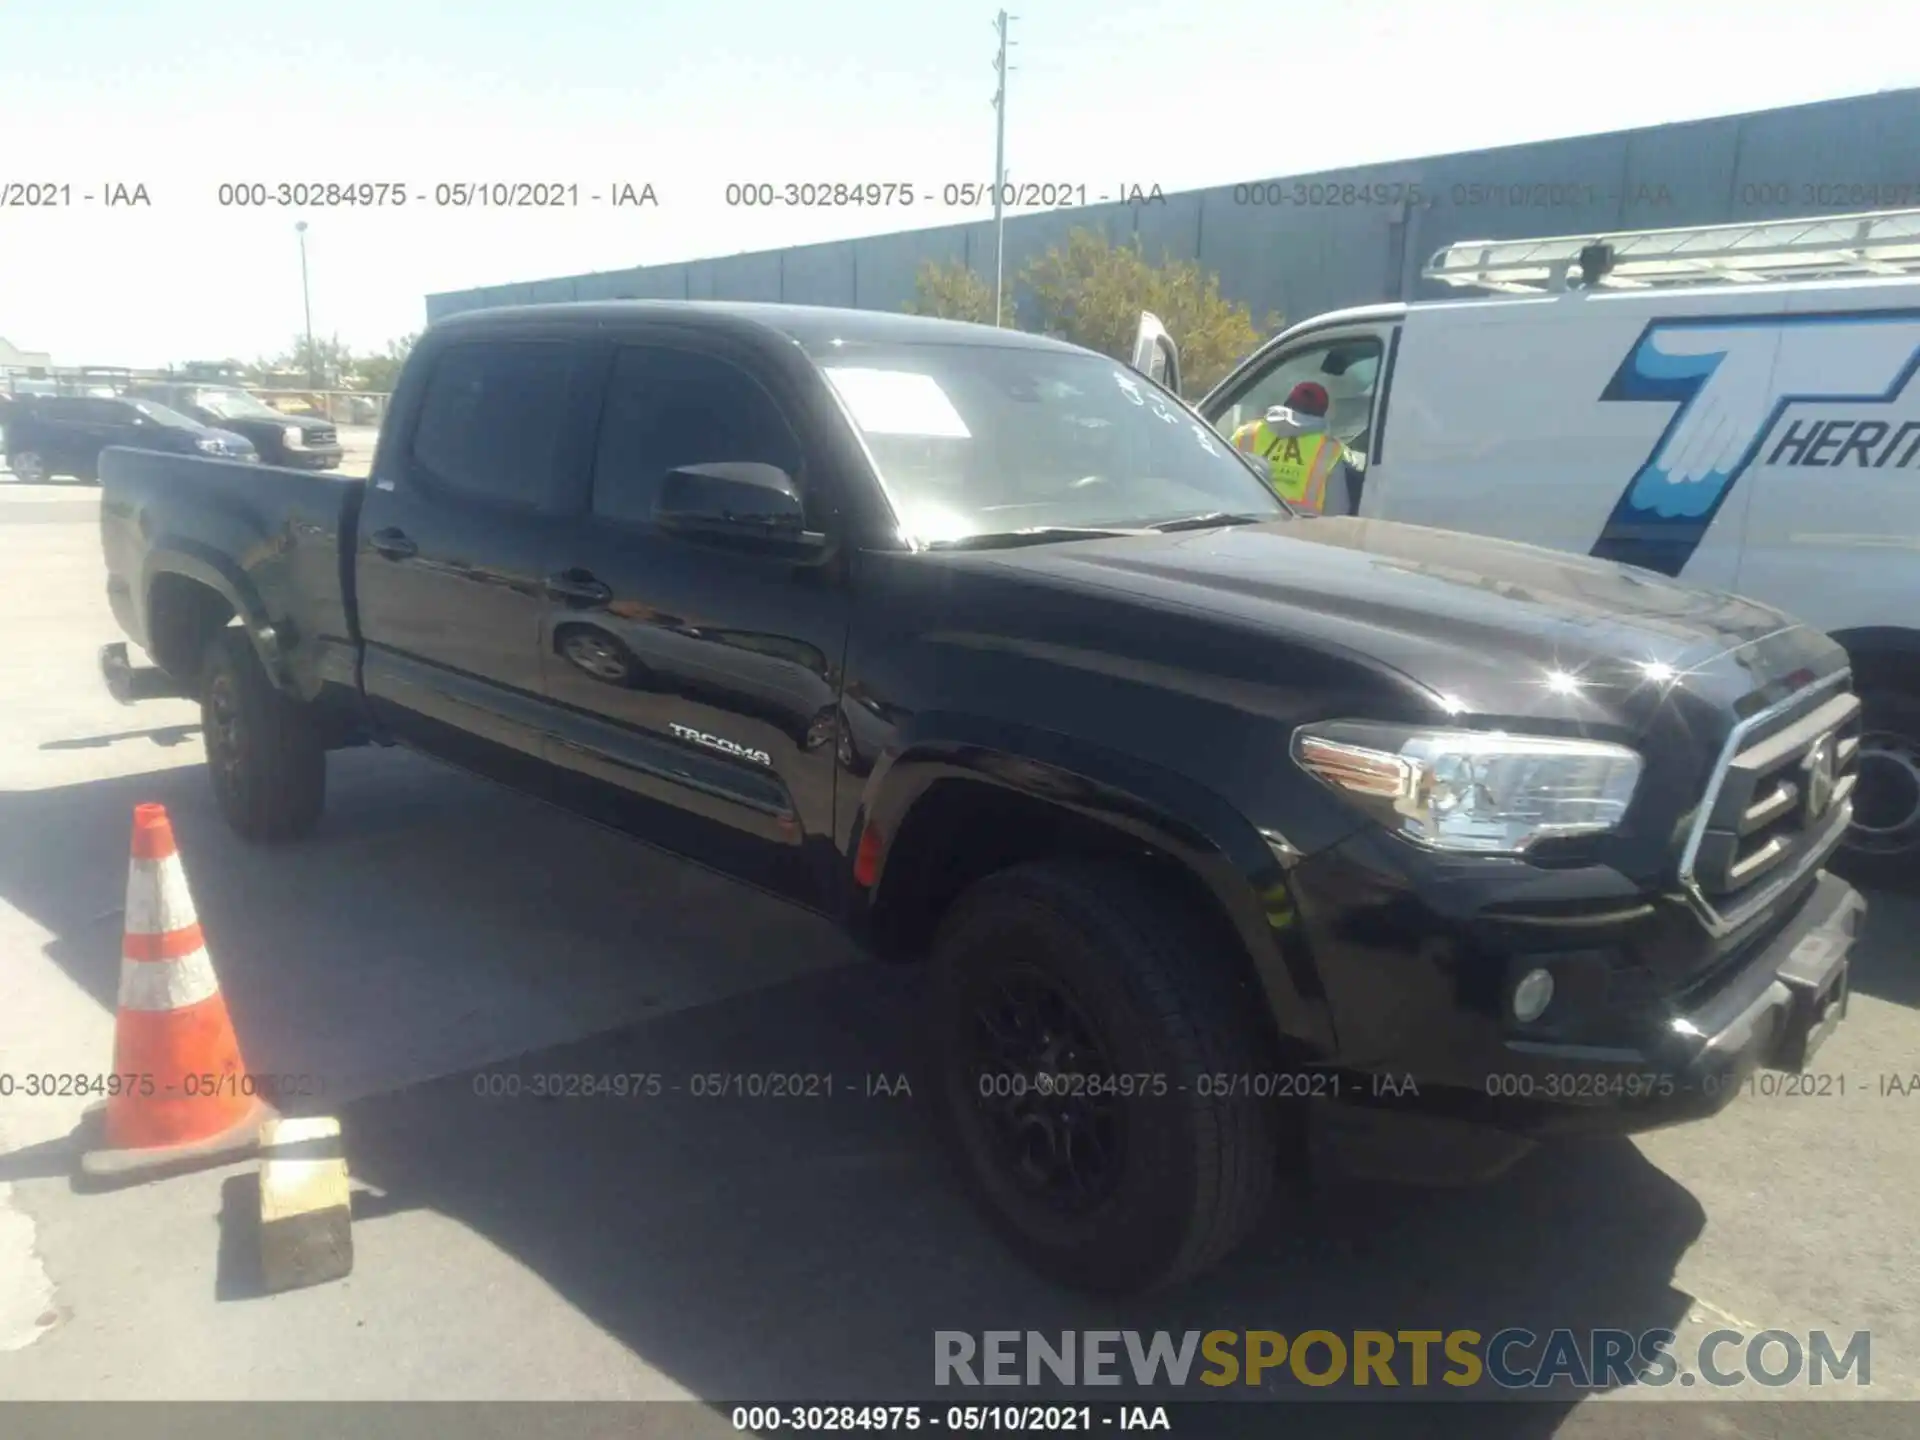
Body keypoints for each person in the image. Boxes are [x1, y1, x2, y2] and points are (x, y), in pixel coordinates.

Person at [1230, 380, 1347, 513]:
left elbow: (1218, 485)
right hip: (1297, 532)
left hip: (1241, 527)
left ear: (1286, 403)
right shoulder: (1329, 449)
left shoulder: (1245, 435)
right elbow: (1337, 510)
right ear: (1321, 414)